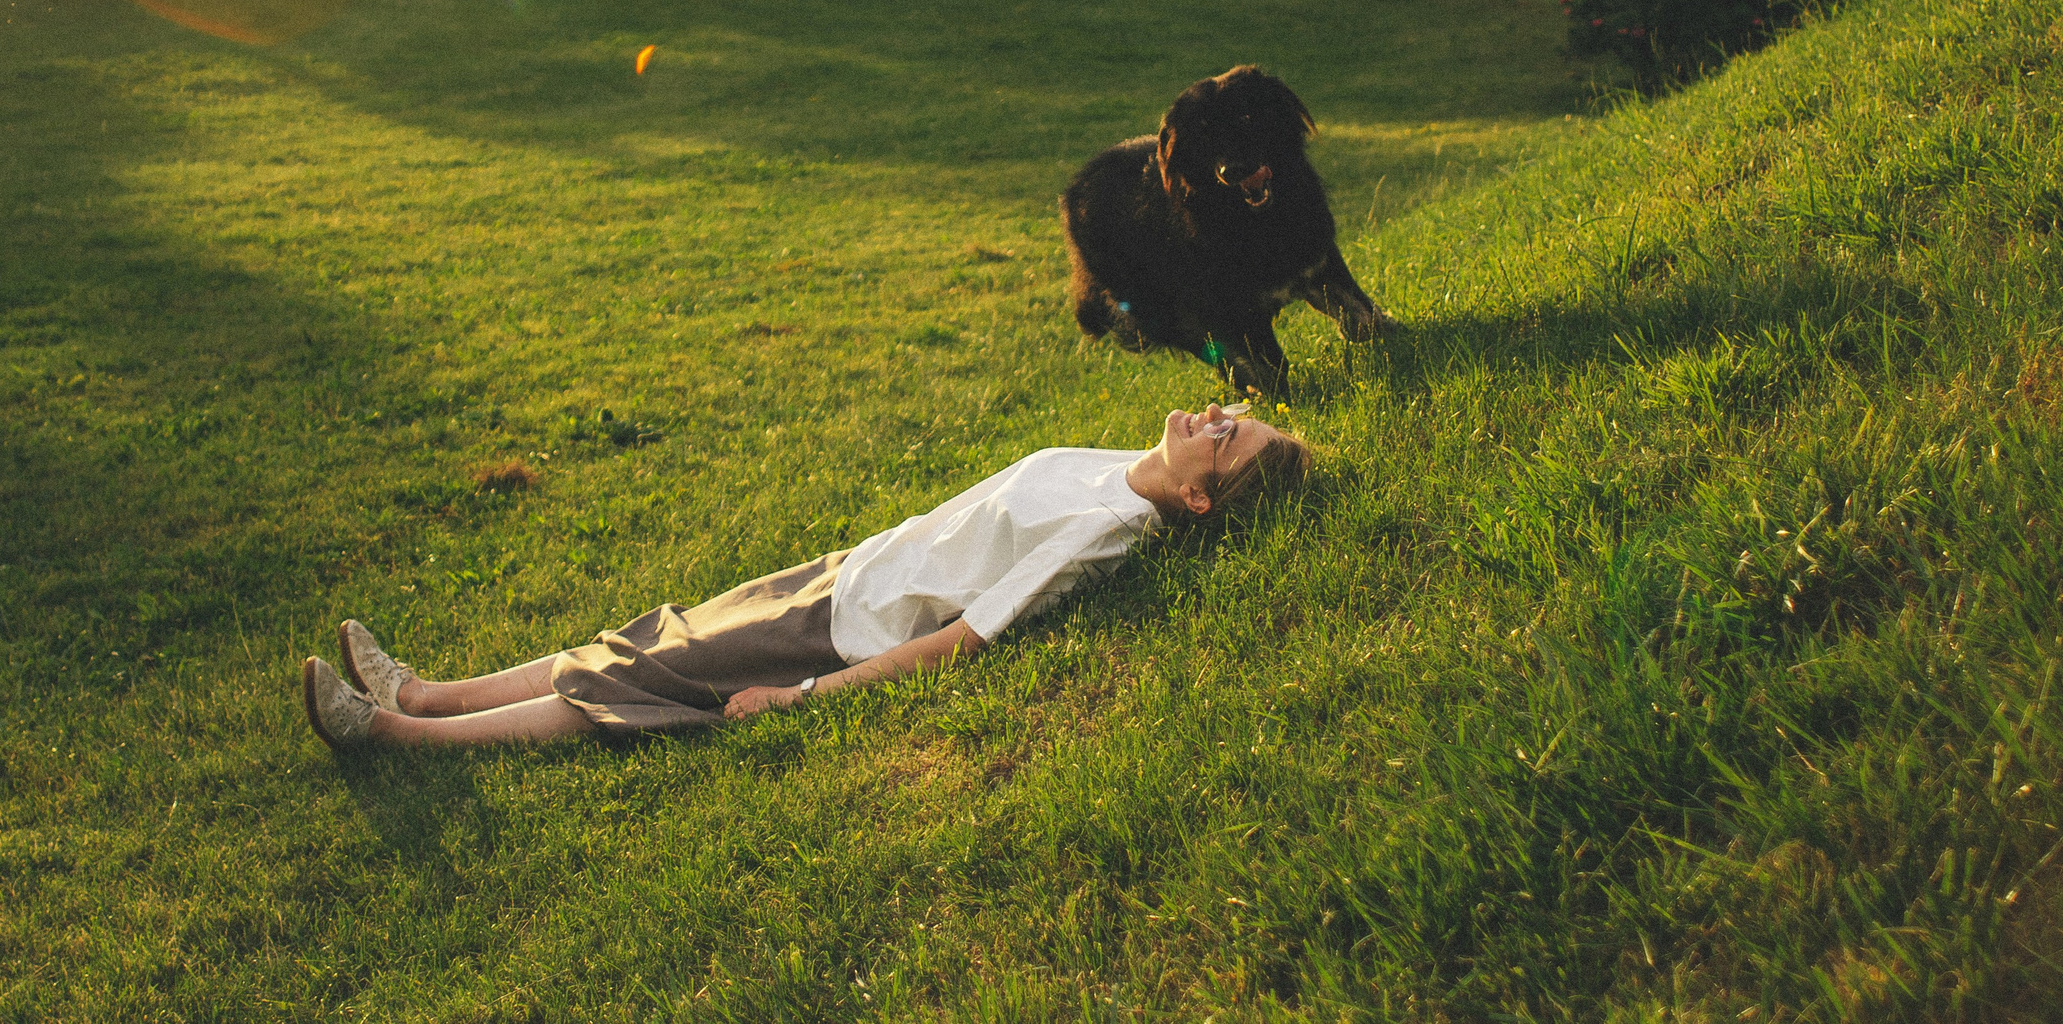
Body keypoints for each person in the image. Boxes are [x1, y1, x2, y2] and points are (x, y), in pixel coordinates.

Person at [301, 403, 1312, 749]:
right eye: (1229, 415)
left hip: (841, 631)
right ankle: (431, 693)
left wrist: (804, 695)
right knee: (652, 638)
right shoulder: (1112, 466)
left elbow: (965, 639)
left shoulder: (1111, 530)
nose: (1213, 419)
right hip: (848, 572)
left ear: (1199, 502)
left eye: (1226, 443)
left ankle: (393, 732)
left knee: (637, 683)